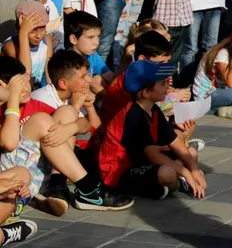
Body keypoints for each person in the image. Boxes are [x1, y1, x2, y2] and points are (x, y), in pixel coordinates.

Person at [0, 56, 134, 211]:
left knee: (67, 112)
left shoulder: (33, 104)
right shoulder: (5, 108)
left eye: (27, 83)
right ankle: (88, 188)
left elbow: (84, 125)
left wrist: (70, 128)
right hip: (14, 175)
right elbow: (9, 143)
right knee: (41, 121)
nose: (25, 89)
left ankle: (57, 185)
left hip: (39, 171)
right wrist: (13, 101)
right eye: (19, 86)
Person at [93, 59, 206, 200]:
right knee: (167, 173)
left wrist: (194, 170)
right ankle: (177, 184)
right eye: (163, 83)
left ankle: (160, 187)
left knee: (191, 154)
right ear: (146, 92)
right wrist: (187, 174)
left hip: (141, 162)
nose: (168, 86)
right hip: (118, 174)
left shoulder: (154, 110)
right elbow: (154, 156)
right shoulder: (134, 116)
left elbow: (176, 143)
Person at [1, 2, 52, 90]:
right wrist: (23, 34)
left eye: (42, 29)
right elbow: (24, 78)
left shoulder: (46, 41)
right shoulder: (11, 47)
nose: (38, 36)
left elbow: (49, 76)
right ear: (19, 28)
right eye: (32, 31)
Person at [64, 11, 116, 95]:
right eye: (90, 37)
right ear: (74, 39)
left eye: (98, 36)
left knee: (98, 80)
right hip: (73, 101)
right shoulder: (67, 62)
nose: (96, 42)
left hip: (86, 97)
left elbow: (110, 77)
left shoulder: (93, 55)